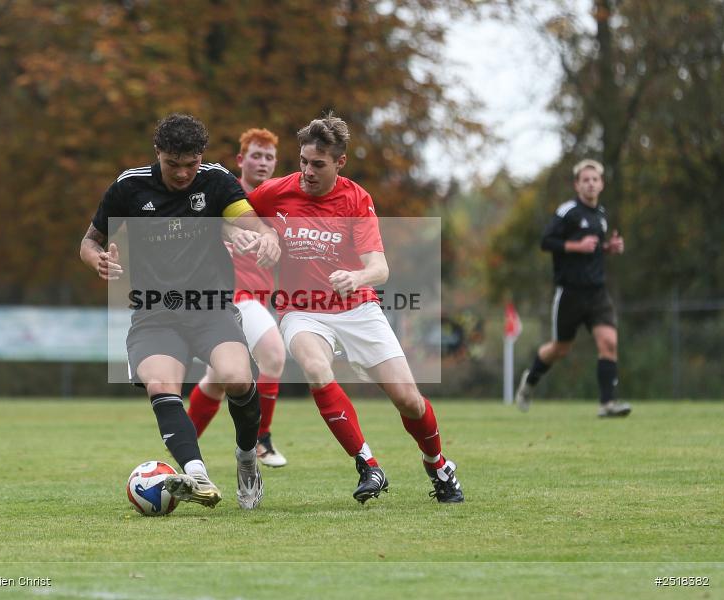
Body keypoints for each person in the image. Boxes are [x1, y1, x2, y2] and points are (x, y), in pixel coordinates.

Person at [247, 113, 464, 504]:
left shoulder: (355, 199)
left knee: (409, 401)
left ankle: (438, 465)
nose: (307, 172)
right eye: (302, 161)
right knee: (315, 369)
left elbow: (380, 267)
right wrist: (263, 234)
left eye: (318, 164)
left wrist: (357, 277)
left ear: (339, 163)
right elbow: (237, 215)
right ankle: (368, 464)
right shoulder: (275, 192)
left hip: (358, 308)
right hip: (302, 310)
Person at [80, 114, 281, 510]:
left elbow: (252, 223)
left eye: (191, 164)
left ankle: (246, 458)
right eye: (174, 165)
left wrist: (267, 238)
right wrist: (97, 259)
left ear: (200, 157)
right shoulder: (129, 186)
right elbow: (89, 241)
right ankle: (197, 474)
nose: (184, 173)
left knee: (238, 378)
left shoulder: (216, 180)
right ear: (159, 154)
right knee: (160, 385)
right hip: (155, 313)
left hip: (211, 309)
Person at [187, 127, 289, 467]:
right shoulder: (221, 195)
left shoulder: (274, 201)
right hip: (228, 295)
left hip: (256, 298)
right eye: (255, 156)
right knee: (273, 354)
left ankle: (180, 448)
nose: (262, 163)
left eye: (269, 157)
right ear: (240, 160)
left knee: (219, 380)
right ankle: (261, 439)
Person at [515, 159, 631, 418]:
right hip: (570, 293)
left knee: (609, 342)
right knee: (560, 349)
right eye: (585, 180)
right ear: (577, 185)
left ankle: (607, 404)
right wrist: (575, 246)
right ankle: (530, 381)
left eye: (595, 180)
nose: (590, 184)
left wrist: (608, 248)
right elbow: (546, 241)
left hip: (597, 293)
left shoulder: (600, 215)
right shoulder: (568, 211)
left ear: (601, 184)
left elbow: (594, 249)